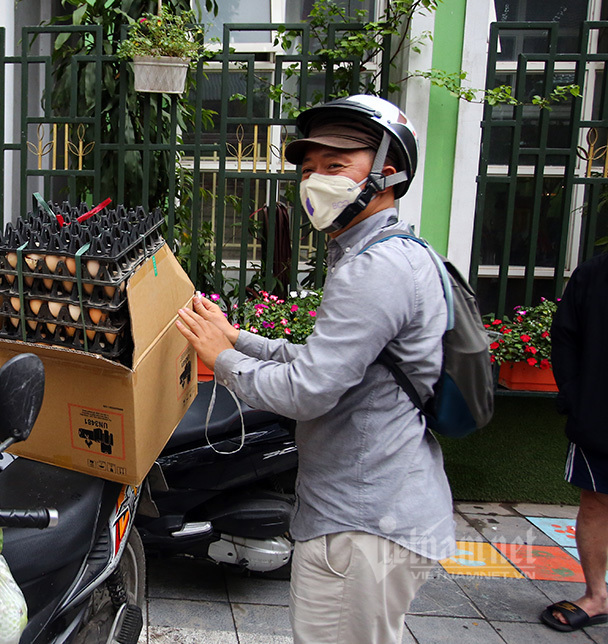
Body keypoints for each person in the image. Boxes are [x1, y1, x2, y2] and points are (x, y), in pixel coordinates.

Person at [176, 95, 455, 644]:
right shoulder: (397, 253)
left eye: (336, 166)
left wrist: (221, 359)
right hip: (383, 507)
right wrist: (238, 337)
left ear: (388, 173)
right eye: (308, 169)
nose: (315, 181)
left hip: (363, 521)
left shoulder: (374, 270)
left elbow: (308, 391)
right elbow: (326, 361)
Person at [541, 252, 608, 632]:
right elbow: (565, 337)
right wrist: (575, 397)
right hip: (599, 414)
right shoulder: (594, 275)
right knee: (597, 501)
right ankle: (597, 596)